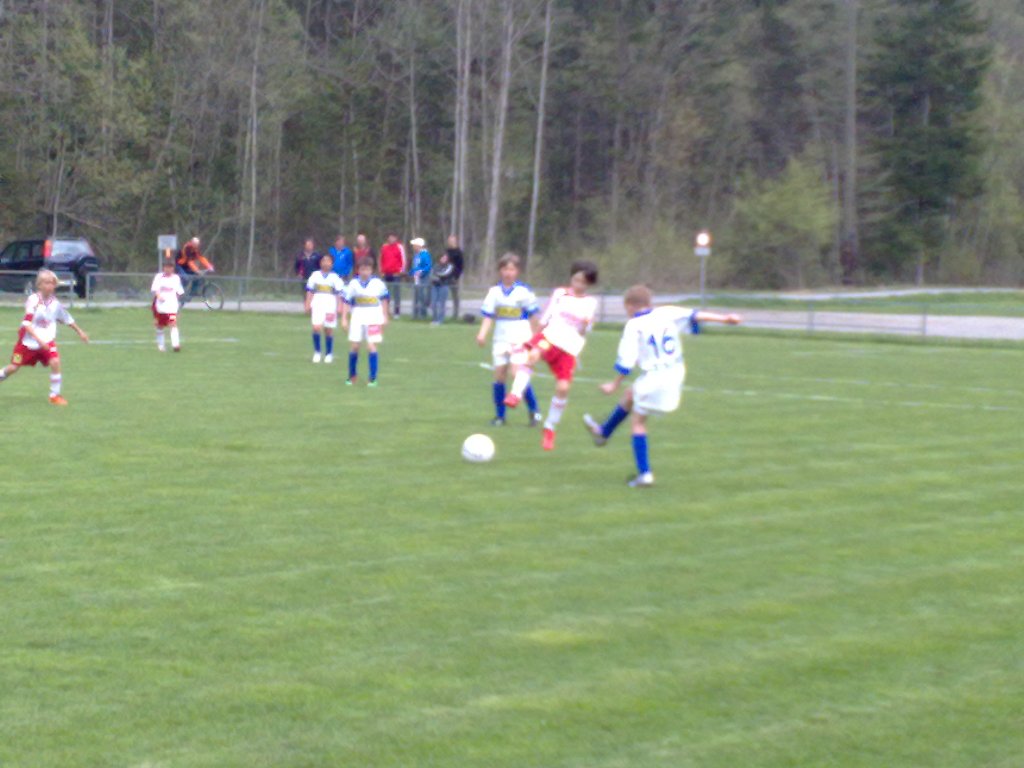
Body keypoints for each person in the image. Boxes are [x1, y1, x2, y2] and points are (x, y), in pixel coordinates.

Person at [583, 285, 742, 487]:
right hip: (675, 373)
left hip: (655, 378)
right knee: (630, 394)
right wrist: (726, 319)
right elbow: (696, 315)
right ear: (649, 302)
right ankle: (603, 433)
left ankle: (645, 475)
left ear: (630, 306)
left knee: (638, 423)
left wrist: (613, 384)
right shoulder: (667, 312)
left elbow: (626, 363)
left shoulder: (634, 325)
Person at [504, 259, 599, 451]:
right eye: (576, 279)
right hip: (550, 337)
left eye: (583, 282)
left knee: (563, 388)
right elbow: (546, 316)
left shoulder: (590, 303)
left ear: (589, 284)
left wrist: (585, 324)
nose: (578, 284)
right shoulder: (560, 294)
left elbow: (583, 332)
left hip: (569, 347)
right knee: (532, 356)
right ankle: (515, 394)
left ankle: (549, 428)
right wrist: (535, 335)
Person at [0, 269, 90, 405]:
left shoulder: (55, 304)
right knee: (13, 367)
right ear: (39, 285)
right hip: (28, 342)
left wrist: (80, 332)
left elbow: (66, 319)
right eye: (46, 283)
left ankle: (54, 395)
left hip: (47, 341)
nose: (50, 286)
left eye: (52, 283)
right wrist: (39, 340)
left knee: (55, 362)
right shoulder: (33, 300)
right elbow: (27, 324)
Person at [475, 252, 543, 426]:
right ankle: (500, 416)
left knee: (516, 373)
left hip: (521, 339)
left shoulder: (524, 292)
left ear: (517, 271)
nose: (508, 272)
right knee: (499, 376)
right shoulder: (494, 292)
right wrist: (482, 334)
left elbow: (534, 317)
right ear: (500, 270)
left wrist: (535, 342)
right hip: (500, 340)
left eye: (512, 269)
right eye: (505, 269)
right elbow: (488, 316)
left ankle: (534, 411)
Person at [342, 256, 390, 386]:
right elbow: (346, 301)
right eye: (362, 269)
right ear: (358, 270)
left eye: (367, 269)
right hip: (357, 316)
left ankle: (373, 378)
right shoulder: (353, 284)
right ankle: (352, 376)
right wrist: (344, 318)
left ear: (371, 270)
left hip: (373, 317)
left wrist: (385, 316)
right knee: (355, 346)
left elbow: (385, 299)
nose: (365, 272)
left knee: (371, 346)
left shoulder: (378, 284)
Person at [305, 253, 346, 364]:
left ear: (332, 264)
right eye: (324, 260)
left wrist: (340, 306)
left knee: (328, 329)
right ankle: (317, 352)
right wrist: (307, 303)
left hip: (330, 305)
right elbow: (309, 290)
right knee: (316, 327)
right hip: (317, 304)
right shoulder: (315, 275)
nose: (326, 263)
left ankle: (328, 354)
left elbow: (339, 294)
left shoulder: (335, 277)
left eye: (328, 261)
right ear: (320, 263)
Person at [151, 258, 186, 352]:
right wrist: (159, 296)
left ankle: (176, 345)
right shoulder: (159, 277)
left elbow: (179, 292)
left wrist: (177, 305)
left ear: (173, 268)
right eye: (166, 267)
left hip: (172, 307)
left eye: (170, 267)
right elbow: (155, 289)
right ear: (163, 268)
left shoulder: (176, 278)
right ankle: (161, 345)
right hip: (161, 307)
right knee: (160, 325)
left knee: (173, 323)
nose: (168, 269)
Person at [379, 233, 407, 316]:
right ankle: (385, 310)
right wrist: (381, 271)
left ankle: (396, 312)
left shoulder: (399, 247)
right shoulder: (384, 247)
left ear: (395, 238)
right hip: (386, 274)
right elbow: (381, 259)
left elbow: (403, 260)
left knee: (396, 293)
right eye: (389, 237)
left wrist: (400, 271)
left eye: (392, 237)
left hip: (395, 274)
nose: (391, 239)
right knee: (384, 293)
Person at [409, 237, 432, 320]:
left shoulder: (425, 254)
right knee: (416, 296)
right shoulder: (417, 255)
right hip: (416, 279)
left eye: (415, 245)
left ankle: (423, 314)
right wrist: (412, 273)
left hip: (423, 279)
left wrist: (421, 273)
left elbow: (428, 267)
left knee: (421, 296)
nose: (413, 247)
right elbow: (415, 266)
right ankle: (415, 314)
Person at [430, 251, 455, 325]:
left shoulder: (449, 266)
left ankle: (440, 320)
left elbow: (445, 274)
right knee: (433, 303)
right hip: (435, 286)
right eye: (442, 258)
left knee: (442, 304)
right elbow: (431, 275)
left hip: (443, 286)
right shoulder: (435, 266)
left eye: (445, 258)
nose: (444, 259)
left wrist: (437, 275)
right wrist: (436, 277)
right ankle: (434, 319)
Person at [445, 234, 465, 320]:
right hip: (445, 276)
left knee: (455, 296)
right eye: (449, 241)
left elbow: (461, 266)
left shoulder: (458, 252)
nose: (450, 242)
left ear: (455, 241)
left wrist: (456, 276)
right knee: (443, 294)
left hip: (454, 277)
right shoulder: (447, 251)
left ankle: (455, 314)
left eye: (452, 241)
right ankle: (442, 313)